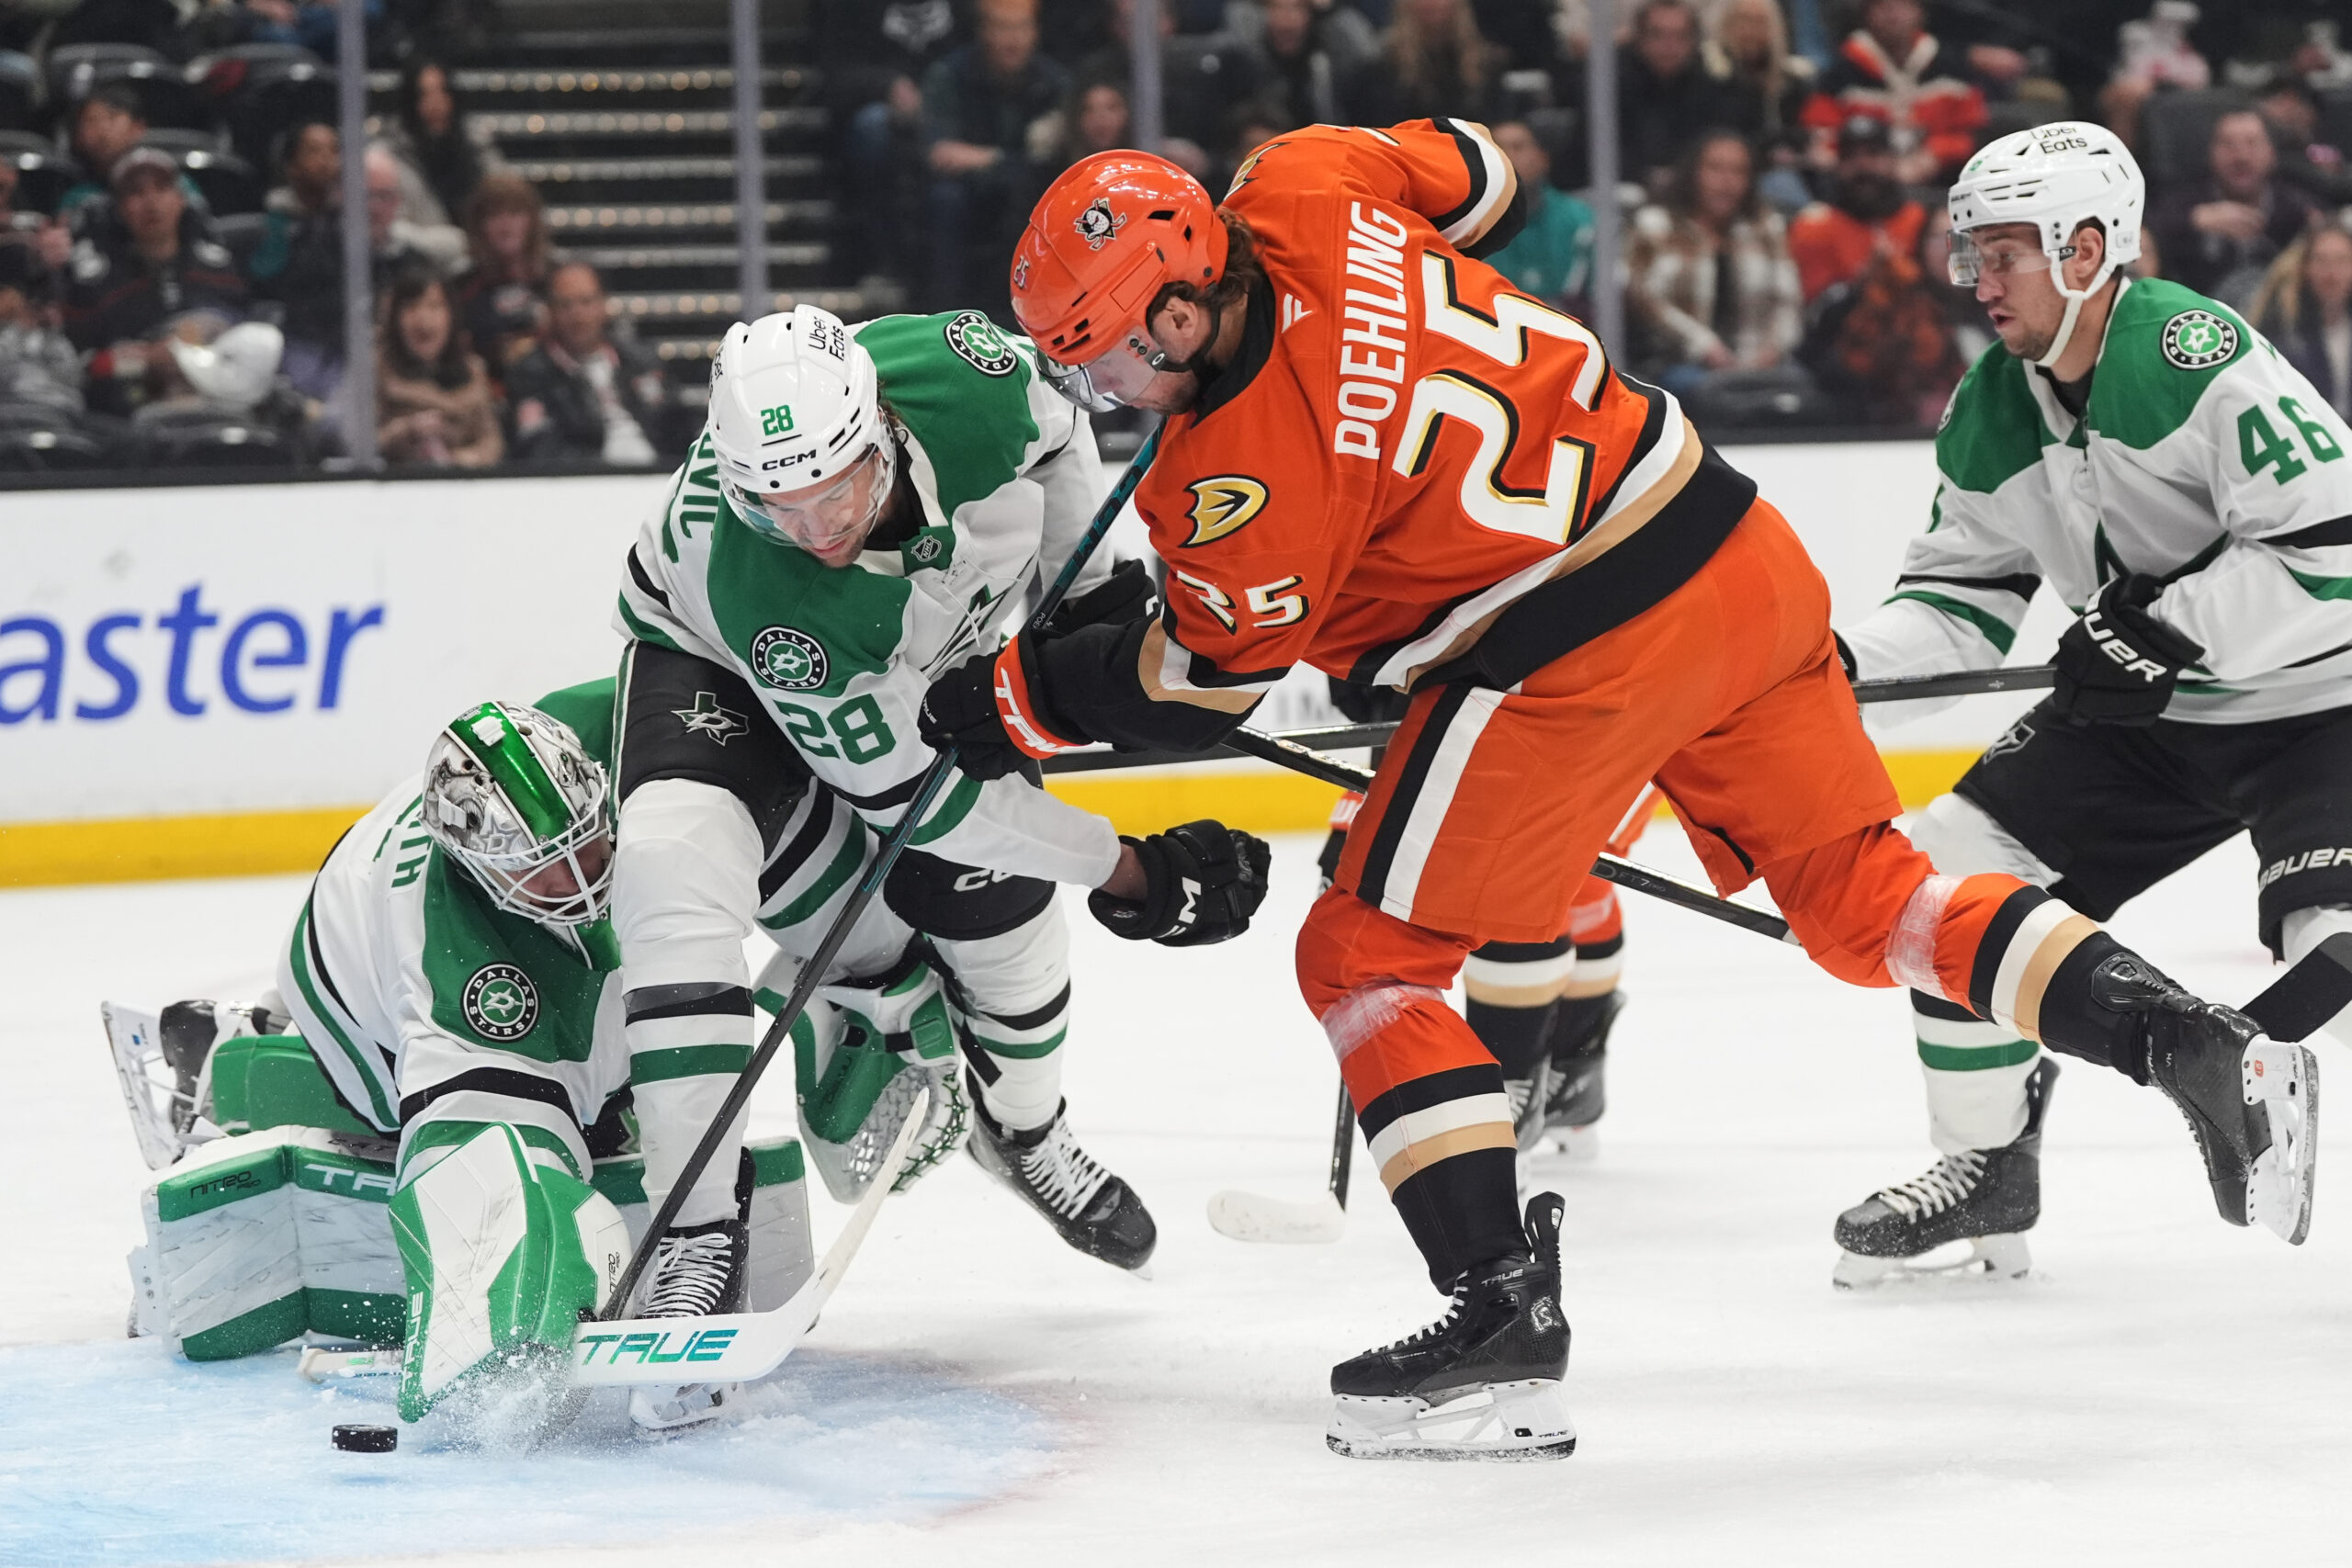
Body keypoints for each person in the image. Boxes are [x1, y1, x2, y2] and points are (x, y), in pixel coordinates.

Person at [922, 125, 2321, 1461]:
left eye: (1106, 357)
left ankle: (1496, 1313)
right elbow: (1486, 177)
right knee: (1864, 899)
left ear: (1177, 313)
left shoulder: (1233, 478)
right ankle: (2190, 1042)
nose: (1107, 393)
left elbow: (1198, 679)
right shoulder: (1303, 179)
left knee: (1363, 951)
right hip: (1729, 546)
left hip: (1567, 651)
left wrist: (1009, 696)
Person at [605, 304, 1272, 1423]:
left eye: (835, 490)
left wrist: (1088, 592)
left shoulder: (974, 371)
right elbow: (929, 805)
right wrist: (1129, 872)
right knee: (673, 868)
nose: (815, 525)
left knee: (1004, 929)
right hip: (713, 665)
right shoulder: (769, 585)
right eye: (779, 503)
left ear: (878, 426)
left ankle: (1025, 1135)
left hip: (909, 655)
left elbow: (1063, 431)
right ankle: (691, 1234)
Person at [1829, 121, 2349, 1287]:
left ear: (2084, 249)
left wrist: (2163, 625)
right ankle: (1985, 1165)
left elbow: (2335, 550)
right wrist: (1827, 677)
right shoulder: (1993, 404)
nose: (1979, 280)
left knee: (2336, 949)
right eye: (1971, 253)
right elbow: (1956, 613)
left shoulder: (2186, 346)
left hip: (2324, 694)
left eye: (2004, 251)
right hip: (2154, 719)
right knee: (1943, 880)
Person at [61, 147, 246, 419]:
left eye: (162, 188)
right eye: (136, 192)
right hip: (135, 414)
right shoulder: (97, 283)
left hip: (219, 401)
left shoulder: (217, 267)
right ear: (119, 208)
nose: (151, 203)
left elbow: (247, 344)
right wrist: (146, 359)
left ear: (182, 199)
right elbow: (87, 369)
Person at [1623, 130, 1804, 399]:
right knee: (1706, 394)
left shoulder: (1767, 228)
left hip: (1761, 365)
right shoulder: (1655, 226)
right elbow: (1644, 300)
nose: (1727, 181)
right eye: (1715, 169)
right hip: (1679, 364)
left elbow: (1788, 300)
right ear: (1693, 173)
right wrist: (1704, 346)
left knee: (1803, 392)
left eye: (1738, 171)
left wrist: (1773, 349)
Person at [920, 0, 1069, 316]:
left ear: (1035, 32)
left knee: (1040, 199)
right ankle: (945, 315)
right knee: (946, 200)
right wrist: (1011, 160)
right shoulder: (949, 75)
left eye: (1022, 27)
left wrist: (985, 157)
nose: (1013, 39)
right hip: (966, 192)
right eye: (1002, 27)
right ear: (983, 32)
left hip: (1027, 191)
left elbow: (1058, 158)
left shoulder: (1055, 82)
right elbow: (940, 154)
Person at [2146, 109, 2325, 307]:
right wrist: (2193, 221)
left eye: (2252, 143)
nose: (2241, 156)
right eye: (2228, 144)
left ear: (2272, 153)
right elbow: (2144, 234)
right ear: (2210, 153)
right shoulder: (2183, 203)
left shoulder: (2295, 206)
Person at [1801, 0, 1987, 186]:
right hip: (1861, 187)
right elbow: (1821, 136)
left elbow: (1972, 134)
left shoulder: (1950, 66)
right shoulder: (1841, 70)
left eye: (1903, 5)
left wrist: (1934, 154)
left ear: (1920, 12)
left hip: (1941, 184)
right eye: (1882, 6)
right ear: (1866, 13)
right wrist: (1857, 162)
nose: (1893, 14)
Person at [503, 262, 671, 464]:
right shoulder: (530, 374)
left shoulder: (641, 360)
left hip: (657, 474)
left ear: (603, 304)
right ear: (549, 311)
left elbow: (675, 421)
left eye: (586, 301)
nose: (578, 315)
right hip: (586, 481)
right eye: (566, 304)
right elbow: (538, 446)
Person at [1787, 115, 1926, 303]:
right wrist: (1863, 283)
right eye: (1850, 156)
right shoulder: (1813, 227)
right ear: (1838, 164)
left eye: (1873, 153)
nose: (1863, 165)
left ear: (1892, 159)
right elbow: (1815, 313)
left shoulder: (1920, 220)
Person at [376, 268, 503, 468]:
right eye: (411, 307)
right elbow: (352, 441)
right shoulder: (376, 371)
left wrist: (460, 460)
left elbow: (491, 441)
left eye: (435, 307)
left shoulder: (473, 371)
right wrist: (407, 430)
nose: (423, 320)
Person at [1610, 0, 1737, 197]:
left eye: (1680, 37)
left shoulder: (1709, 87)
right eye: (1657, 35)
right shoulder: (1611, 84)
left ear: (1694, 42)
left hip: (1690, 192)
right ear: (1639, 39)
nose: (1669, 46)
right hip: (1621, 190)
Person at [1478, 119, 1595, 315]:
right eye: (1497, 147)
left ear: (1543, 159)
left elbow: (1597, 300)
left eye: (1518, 147)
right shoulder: (1463, 225)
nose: (1507, 156)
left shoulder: (1581, 222)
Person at [1711, 0, 1817, 211]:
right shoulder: (1714, 80)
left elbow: (1804, 134)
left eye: (1760, 23)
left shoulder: (1793, 82)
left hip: (1794, 170)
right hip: (1740, 171)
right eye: (1744, 22)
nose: (1751, 32)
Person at [1340, 0, 1501, 135]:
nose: (1432, 3)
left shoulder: (1487, 64)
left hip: (1472, 161)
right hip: (1403, 159)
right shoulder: (1380, 69)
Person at [452, 173, 554, 373]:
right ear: (479, 226)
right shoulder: (460, 289)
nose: (505, 226)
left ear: (532, 221)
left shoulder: (560, 280)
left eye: (515, 213)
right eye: (495, 215)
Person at [2248, 222, 2352, 420]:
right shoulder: (2280, 328)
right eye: (2321, 260)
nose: (2331, 272)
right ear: (2305, 267)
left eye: (2342, 260)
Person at [381, 59, 490, 229]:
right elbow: (394, 228)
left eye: (442, 92)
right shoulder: (389, 159)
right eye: (425, 94)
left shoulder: (477, 146)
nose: (436, 103)